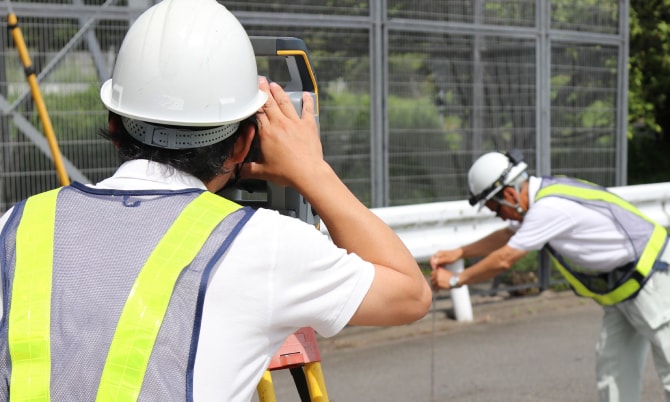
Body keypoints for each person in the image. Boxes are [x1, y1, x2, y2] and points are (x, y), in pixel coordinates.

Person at [0, 0, 432, 400]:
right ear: (244, 143)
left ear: (115, 126)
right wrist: (313, 171)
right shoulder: (261, 244)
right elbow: (411, 294)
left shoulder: (16, 227)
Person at [430, 149, 670, 402]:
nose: (498, 215)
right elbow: (507, 235)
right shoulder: (542, 194)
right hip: (623, 287)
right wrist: (457, 252)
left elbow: (504, 259)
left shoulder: (549, 208)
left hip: (655, 280)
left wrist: (456, 280)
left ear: (509, 194)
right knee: (614, 371)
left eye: (494, 208)